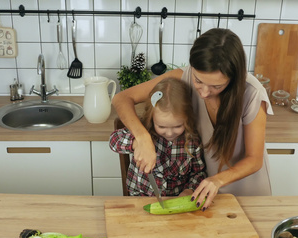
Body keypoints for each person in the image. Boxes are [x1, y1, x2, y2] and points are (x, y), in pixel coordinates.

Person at [112, 28, 274, 210]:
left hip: (247, 193)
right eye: (198, 81)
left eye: (216, 86)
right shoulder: (183, 78)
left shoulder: (251, 93)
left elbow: (254, 159)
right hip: (204, 193)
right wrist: (142, 138)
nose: (204, 93)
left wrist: (217, 180)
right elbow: (122, 98)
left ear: (233, 78)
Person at [109, 77, 207, 197]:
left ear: (187, 119)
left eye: (178, 126)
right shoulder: (144, 130)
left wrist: (189, 190)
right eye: (161, 126)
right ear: (152, 119)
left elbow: (198, 174)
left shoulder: (193, 142)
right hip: (139, 198)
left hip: (174, 201)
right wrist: (137, 143)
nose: (170, 133)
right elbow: (114, 141)